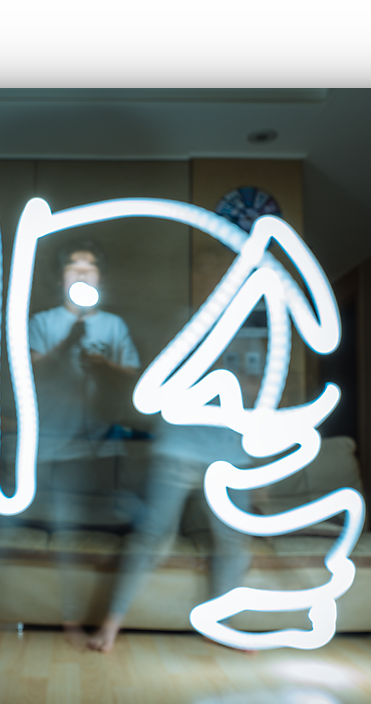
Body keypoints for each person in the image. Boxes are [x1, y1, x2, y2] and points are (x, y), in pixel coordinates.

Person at [87, 355, 260, 654]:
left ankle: (220, 626)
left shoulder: (256, 344)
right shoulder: (190, 344)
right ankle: (110, 624)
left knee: (233, 541)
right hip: (179, 448)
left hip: (229, 454)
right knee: (152, 535)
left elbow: (260, 396)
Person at [28, 239, 141, 647]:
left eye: (89, 268)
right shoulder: (42, 321)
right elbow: (28, 373)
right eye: (73, 268)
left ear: (99, 279)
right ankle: (69, 619)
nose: (81, 273)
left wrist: (104, 365)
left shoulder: (113, 325)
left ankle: (109, 618)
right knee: (65, 533)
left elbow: (135, 380)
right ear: (61, 278)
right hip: (55, 446)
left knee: (114, 531)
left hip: (104, 445)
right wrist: (68, 342)